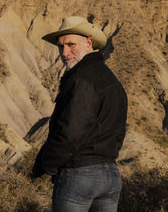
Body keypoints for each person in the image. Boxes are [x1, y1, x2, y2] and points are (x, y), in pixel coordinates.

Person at [32, 16, 127, 212]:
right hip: (111, 175)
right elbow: (118, 131)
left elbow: (70, 132)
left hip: (79, 175)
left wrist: (46, 164)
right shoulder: (112, 81)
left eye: (71, 44)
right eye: (60, 46)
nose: (65, 52)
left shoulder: (81, 79)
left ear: (89, 43)